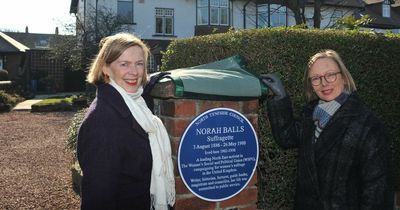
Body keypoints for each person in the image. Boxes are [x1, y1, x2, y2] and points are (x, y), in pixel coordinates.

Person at [261, 49, 393, 210]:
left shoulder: (367, 124)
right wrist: (280, 97)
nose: (324, 83)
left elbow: (377, 192)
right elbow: (287, 137)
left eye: (330, 75)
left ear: (343, 77)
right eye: (316, 78)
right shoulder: (311, 114)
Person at [77, 33, 175, 210]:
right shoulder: (102, 122)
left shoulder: (136, 105)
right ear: (106, 69)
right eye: (124, 64)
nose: (135, 72)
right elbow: (98, 199)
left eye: (139, 64)